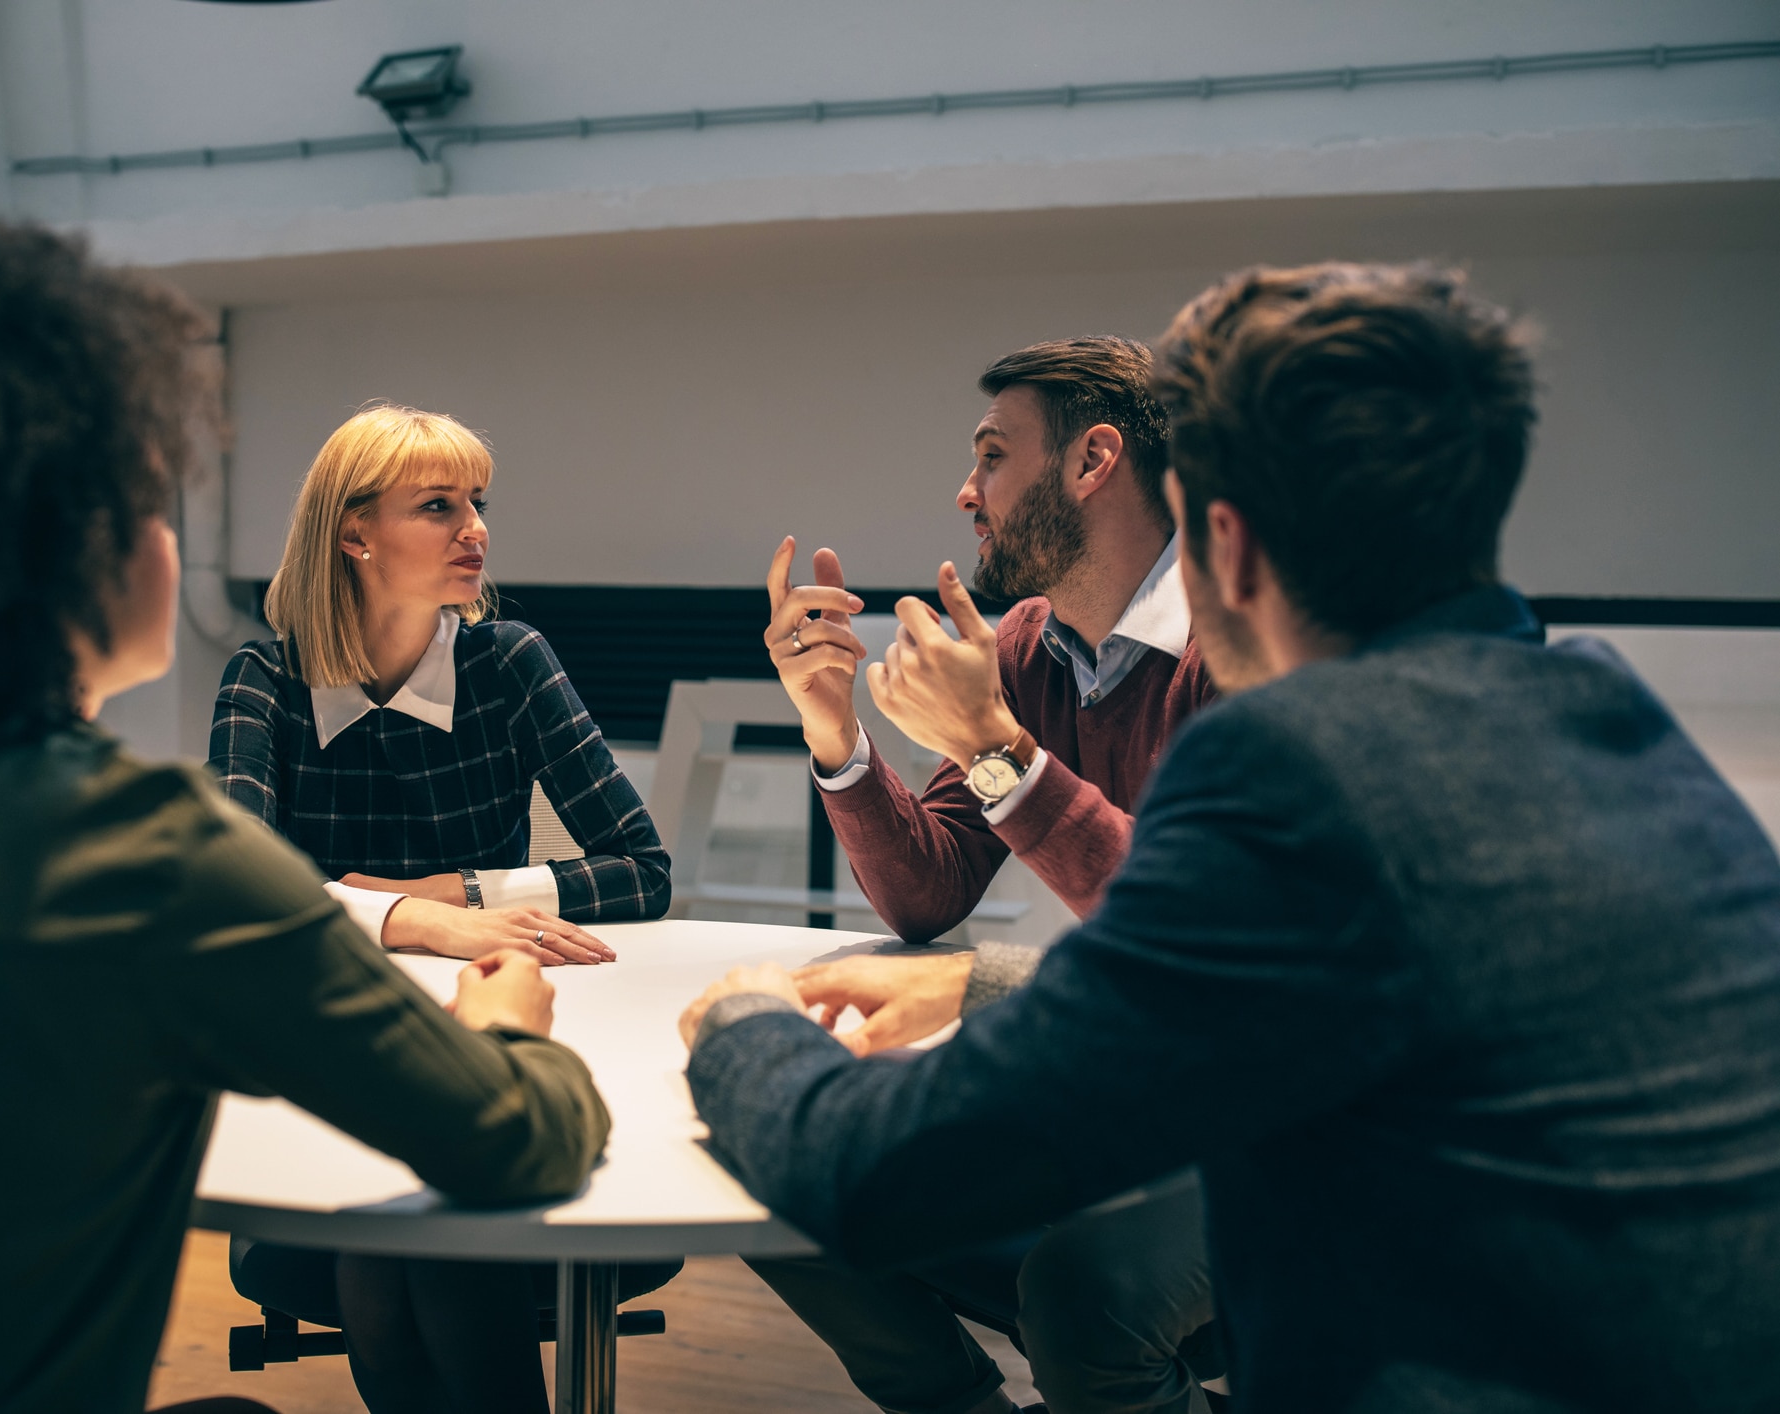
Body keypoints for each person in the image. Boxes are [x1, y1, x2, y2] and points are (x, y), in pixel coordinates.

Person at [682, 262, 1780, 1413]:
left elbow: (869, 1170)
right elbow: (1292, 968)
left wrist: (742, 1020)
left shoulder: (1301, 764)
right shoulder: (1611, 718)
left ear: (1229, 543)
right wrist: (983, 980)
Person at [0, 218, 610, 1414]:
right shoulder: (146, 854)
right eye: (145, 498)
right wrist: (512, 1024)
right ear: (55, 549)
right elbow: (519, 1138)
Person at [755, 339, 1224, 1414]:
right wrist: (835, 730)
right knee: (792, 1168)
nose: (967, 492)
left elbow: (1198, 937)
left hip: (1294, 1124)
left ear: (1093, 461)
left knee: (1083, 1298)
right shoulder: (1026, 646)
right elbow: (929, 895)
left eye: (993, 457)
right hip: (1130, 1089)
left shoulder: (1243, 640)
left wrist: (1000, 750)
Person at [208, 404, 676, 1414]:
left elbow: (642, 871)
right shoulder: (265, 680)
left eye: (478, 504)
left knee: (406, 1238)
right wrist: (414, 924)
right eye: (438, 506)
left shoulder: (509, 661)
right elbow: (235, 898)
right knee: (408, 1236)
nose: (476, 530)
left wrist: (450, 896)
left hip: (495, 1028)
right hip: (332, 1053)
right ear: (354, 533)